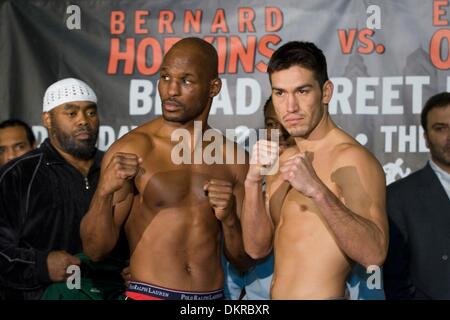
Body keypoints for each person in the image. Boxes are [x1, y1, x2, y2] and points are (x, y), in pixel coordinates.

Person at [80, 37, 251, 300]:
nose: (171, 90)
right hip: (149, 294)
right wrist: (103, 193)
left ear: (213, 87)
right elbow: (95, 250)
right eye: (165, 77)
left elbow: (243, 260)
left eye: (186, 81)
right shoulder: (135, 149)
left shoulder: (234, 158)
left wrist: (229, 219)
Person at [241, 41, 388, 299]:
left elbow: (375, 254)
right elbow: (256, 248)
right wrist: (252, 182)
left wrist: (318, 191)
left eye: (302, 91)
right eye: (280, 93)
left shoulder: (352, 159)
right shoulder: (284, 159)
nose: (290, 107)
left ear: (326, 92)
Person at [0, 78, 104, 299]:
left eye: (90, 112)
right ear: (47, 119)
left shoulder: (113, 168)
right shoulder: (18, 175)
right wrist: (40, 265)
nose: (83, 121)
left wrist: (137, 264)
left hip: (107, 293)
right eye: (71, 113)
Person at [383, 92, 450, 299]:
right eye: (440, 128)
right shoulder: (397, 197)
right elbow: (394, 280)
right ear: (426, 138)